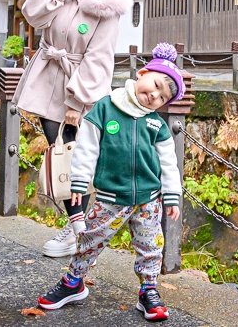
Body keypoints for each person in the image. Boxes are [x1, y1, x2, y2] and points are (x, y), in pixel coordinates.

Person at [37, 42, 184, 321]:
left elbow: (169, 163)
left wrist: (172, 196)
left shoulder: (156, 125)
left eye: (161, 97)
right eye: (154, 85)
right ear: (142, 74)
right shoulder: (106, 108)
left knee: (151, 247)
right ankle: (73, 282)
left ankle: (148, 290)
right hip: (109, 196)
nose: (153, 95)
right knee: (90, 239)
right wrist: (78, 183)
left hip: (148, 199)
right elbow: (86, 148)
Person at [11, 0, 132, 257]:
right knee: (60, 154)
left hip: (80, 90)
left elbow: (99, 59)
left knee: (76, 161)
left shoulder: (108, 9)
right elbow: (32, 16)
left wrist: (77, 105)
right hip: (47, 81)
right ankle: (79, 228)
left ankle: (76, 230)